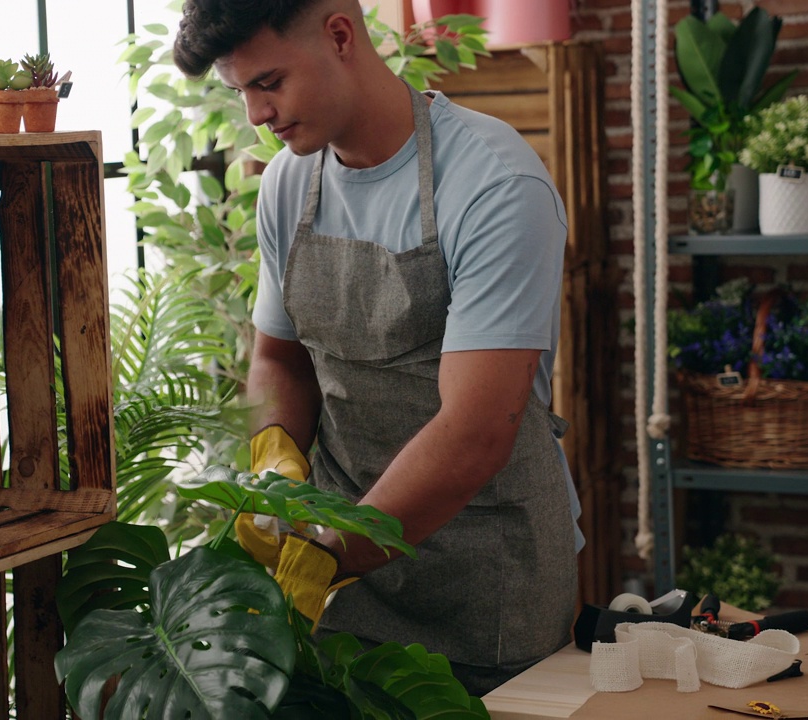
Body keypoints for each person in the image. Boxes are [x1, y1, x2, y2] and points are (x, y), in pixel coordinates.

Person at [174, 0, 583, 696]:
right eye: (240, 91)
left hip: (486, 577)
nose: (255, 115)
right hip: (340, 577)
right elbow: (279, 358)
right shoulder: (287, 184)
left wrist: (335, 550)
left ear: (340, 35)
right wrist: (274, 452)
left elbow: (476, 430)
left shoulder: (493, 183)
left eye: (269, 82)